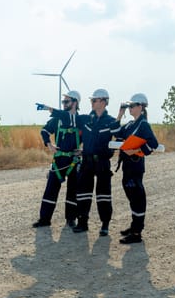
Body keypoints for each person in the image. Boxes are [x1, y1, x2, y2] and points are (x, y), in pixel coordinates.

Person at [39, 89, 121, 236]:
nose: (92, 103)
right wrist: (48, 109)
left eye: (94, 100)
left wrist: (113, 150)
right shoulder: (85, 119)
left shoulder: (110, 121)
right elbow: (67, 117)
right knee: (83, 194)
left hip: (101, 163)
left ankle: (104, 225)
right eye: (91, 100)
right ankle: (82, 223)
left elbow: (120, 135)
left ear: (103, 101)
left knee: (103, 195)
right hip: (86, 163)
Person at [33, 90, 82, 228]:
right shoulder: (58, 120)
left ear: (75, 102)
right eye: (63, 101)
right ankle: (44, 219)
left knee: (73, 191)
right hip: (58, 160)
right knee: (50, 189)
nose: (64, 104)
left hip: (74, 161)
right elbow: (44, 131)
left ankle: (71, 219)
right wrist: (49, 144)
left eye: (66, 101)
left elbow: (90, 137)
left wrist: (83, 151)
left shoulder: (80, 121)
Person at [114, 93, 159, 244]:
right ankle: (134, 226)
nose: (130, 108)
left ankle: (137, 232)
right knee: (132, 196)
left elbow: (153, 143)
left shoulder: (143, 124)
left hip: (135, 165)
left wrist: (135, 151)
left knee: (137, 197)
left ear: (140, 107)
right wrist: (120, 114)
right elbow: (115, 133)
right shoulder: (130, 124)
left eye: (132, 106)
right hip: (127, 166)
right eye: (129, 106)